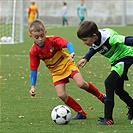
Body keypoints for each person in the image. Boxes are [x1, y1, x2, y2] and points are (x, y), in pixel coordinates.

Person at [28, 19, 105, 120]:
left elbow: (68, 44)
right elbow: (33, 69)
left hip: (67, 64)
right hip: (55, 72)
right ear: (31, 36)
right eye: (36, 37)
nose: (40, 39)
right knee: (61, 94)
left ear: (45, 32)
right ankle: (81, 113)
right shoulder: (33, 51)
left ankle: (101, 96)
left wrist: (72, 52)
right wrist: (32, 86)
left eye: (42, 36)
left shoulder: (53, 40)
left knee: (81, 84)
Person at [77, 20, 133, 125]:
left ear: (94, 35)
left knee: (109, 82)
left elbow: (127, 40)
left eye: (85, 40)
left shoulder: (110, 37)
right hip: (116, 61)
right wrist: (86, 58)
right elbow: (93, 49)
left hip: (125, 58)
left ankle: (108, 118)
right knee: (119, 90)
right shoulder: (95, 39)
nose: (84, 42)